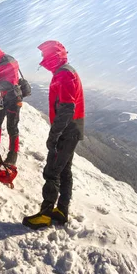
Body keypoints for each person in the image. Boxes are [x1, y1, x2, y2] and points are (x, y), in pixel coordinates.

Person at [22, 40, 84, 229]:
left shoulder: (64, 73)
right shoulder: (64, 71)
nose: (42, 59)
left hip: (66, 129)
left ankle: (45, 214)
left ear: (52, 56)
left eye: (44, 56)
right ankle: (62, 210)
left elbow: (67, 107)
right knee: (64, 171)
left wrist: (54, 134)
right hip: (73, 128)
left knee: (52, 171)